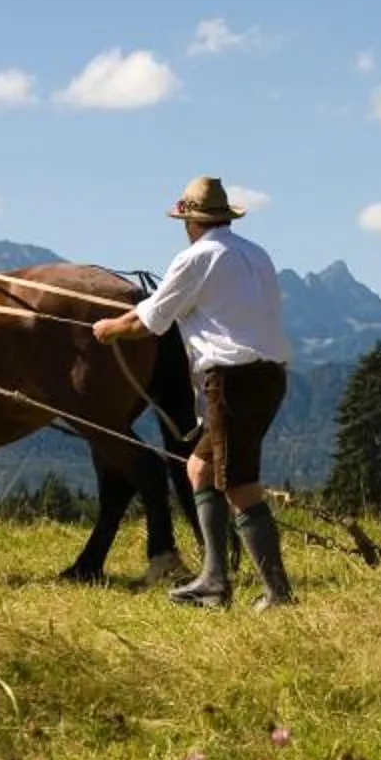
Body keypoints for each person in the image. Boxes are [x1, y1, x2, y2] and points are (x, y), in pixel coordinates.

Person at [92, 176, 295, 609]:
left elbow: (149, 321)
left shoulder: (194, 258)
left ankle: (277, 593)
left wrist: (108, 329)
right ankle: (213, 579)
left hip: (230, 379)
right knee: (200, 469)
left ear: (189, 220)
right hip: (270, 374)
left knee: (239, 485)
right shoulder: (256, 254)